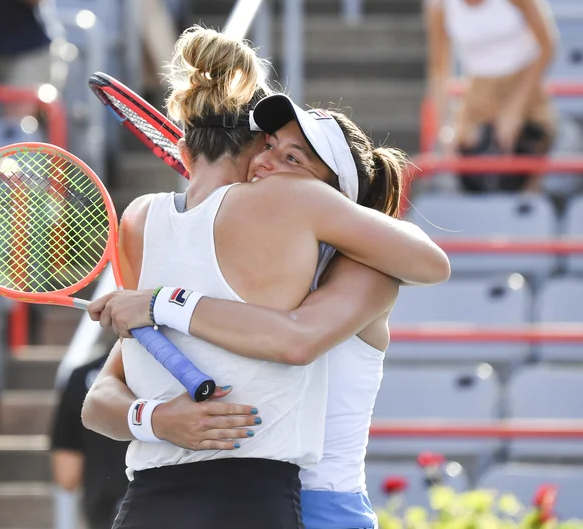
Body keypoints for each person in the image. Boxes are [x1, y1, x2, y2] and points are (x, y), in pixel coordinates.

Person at [81, 26, 450, 529]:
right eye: (269, 144)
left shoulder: (367, 273)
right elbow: (101, 398)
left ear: (332, 196)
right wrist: (155, 419)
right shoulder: (230, 247)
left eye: (293, 159)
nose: (266, 162)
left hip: (322, 508)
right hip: (216, 493)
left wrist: (162, 302)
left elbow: (295, 340)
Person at [426, 0, 558, 192]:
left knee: (527, 170)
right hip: (478, 100)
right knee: (472, 174)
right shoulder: (441, 6)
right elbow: (439, 71)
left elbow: (547, 46)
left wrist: (515, 110)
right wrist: (445, 126)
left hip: (526, 95)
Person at [50, 351, 129, 529]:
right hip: (170, 504)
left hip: (104, 509)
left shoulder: (82, 377)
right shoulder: (183, 377)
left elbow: (67, 476)